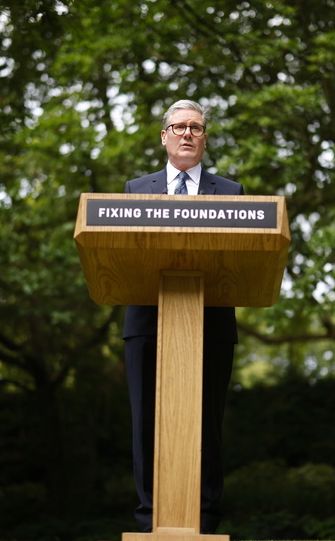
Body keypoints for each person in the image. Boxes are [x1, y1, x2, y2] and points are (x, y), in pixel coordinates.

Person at [122, 100, 243, 534]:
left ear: (204, 138)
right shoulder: (136, 190)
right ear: (164, 136)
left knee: (207, 425)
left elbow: (241, 260)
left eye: (196, 127)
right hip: (145, 326)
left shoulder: (231, 193)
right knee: (145, 427)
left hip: (210, 326)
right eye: (179, 127)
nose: (187, 134)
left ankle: (205, 521)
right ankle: (150, 520)